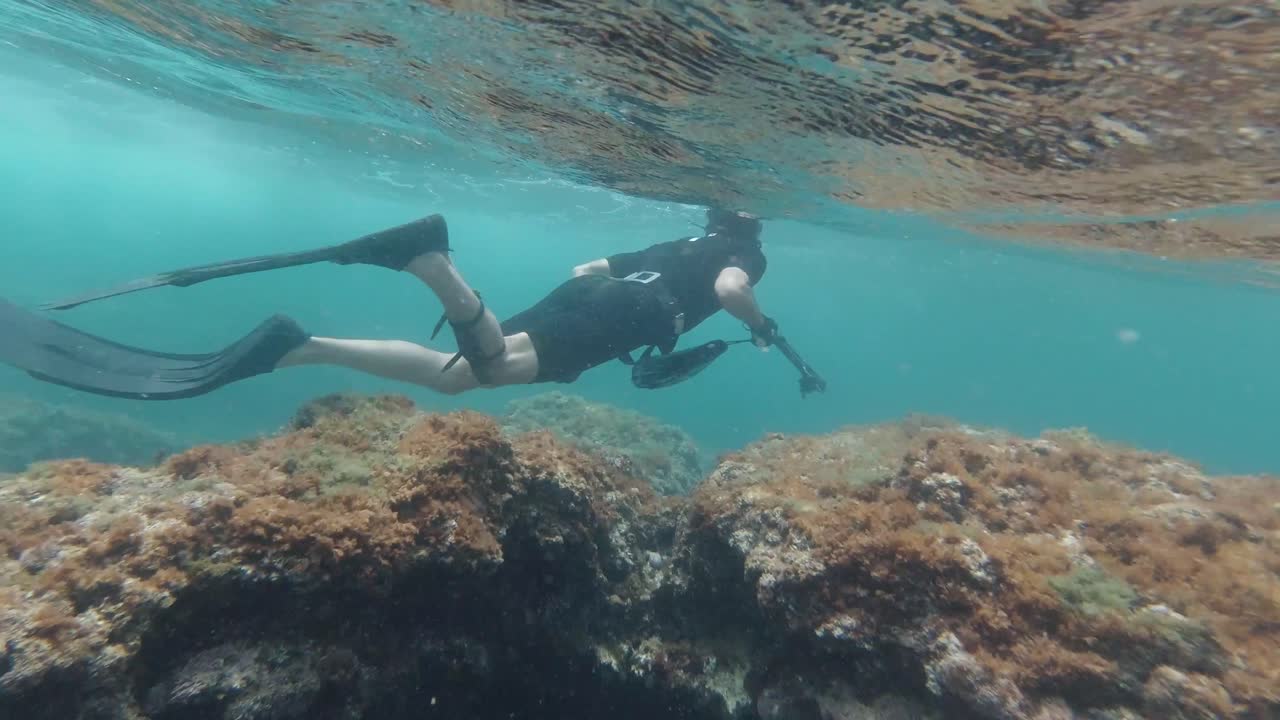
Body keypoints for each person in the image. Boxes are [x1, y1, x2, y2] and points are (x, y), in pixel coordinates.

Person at [0, 209, 785, 400]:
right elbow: (730, 291)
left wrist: (621, 301)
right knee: (494, 370)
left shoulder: (680, 241)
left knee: (455, 375)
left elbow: (586, 268)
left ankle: (297, 347)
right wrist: (756, 327)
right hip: (630, 318)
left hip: (598, 295)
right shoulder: (741, 254)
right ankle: (431, 265)